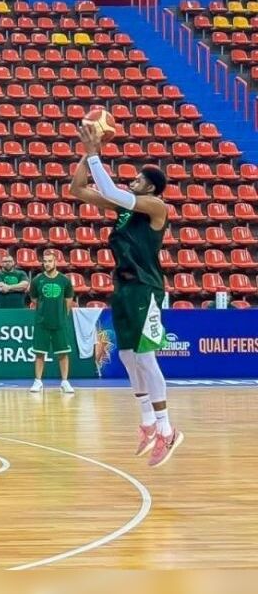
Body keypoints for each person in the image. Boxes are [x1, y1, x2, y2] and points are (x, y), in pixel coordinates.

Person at [71, 121, 182, 467]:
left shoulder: (155, 207)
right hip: (123, 286)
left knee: (146, 357)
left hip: (146, 288)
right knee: (127, 357)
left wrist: (94, 154)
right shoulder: (124, 209)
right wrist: (86, 153)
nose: (132, 179)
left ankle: (167, 429)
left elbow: (114, 191)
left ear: (150, 186)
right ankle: (148, 422)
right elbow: (78, 190)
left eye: (137, 177)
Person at [29, 251, 76, 394]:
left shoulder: (64, 281)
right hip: (42, 322)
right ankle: (38, 382)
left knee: (63, 353)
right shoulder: (37, 280)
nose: (47, 263)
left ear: (56, 262)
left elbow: (68, 300)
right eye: (45, 261)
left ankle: (65, 382)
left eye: (50, 261)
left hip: (60, 323)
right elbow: (34, 299)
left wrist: (61, 316)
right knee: (39, 353)